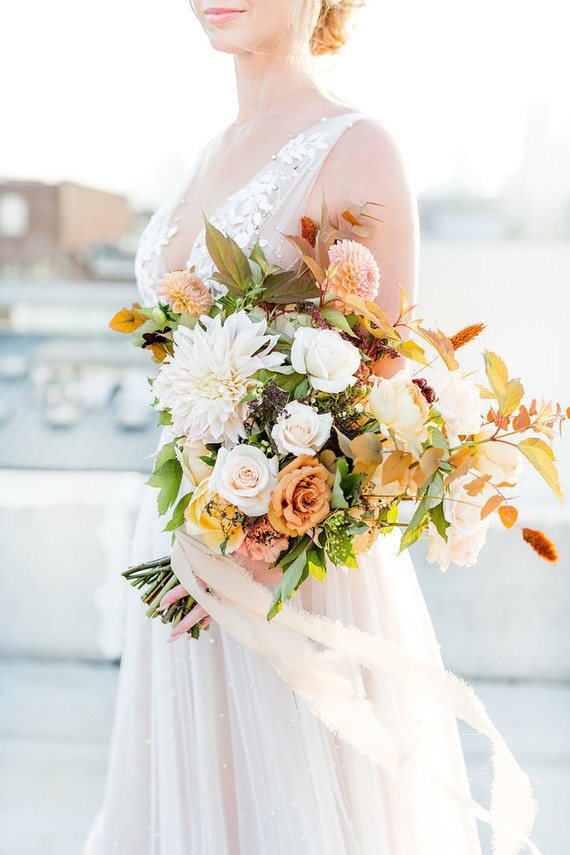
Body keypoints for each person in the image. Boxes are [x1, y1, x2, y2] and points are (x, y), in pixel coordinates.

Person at [82, 2, 539, 853]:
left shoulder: (357, 146)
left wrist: (248, 532)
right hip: (185, 537)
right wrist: (199, 527)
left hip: (286, 556)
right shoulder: (207, 154)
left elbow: (382, 381)